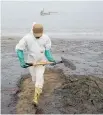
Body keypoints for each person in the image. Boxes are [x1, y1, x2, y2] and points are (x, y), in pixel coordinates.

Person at [15, 22, 55, 107]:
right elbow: (19, 49)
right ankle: (39, 87)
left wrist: (50, 59)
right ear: (32, 31)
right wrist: (22, 61)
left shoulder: (46, 38)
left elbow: (47, 51)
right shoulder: (27, 38)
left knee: (39, 78)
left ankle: (35, 99)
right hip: (31, 61)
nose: (38, 36)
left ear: (42, 32)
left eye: (39, 35)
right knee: (34, 78)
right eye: (36, 34)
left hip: (42, 61)